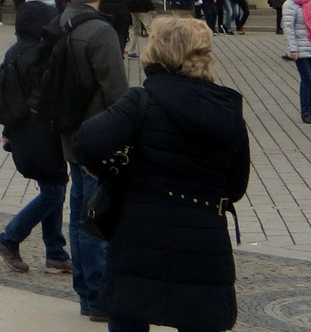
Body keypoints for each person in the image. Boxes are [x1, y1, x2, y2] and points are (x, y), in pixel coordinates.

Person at [73, 17, 249, 332]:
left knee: (129, 316)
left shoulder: (142, 100)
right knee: (200, 320)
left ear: (157, 52)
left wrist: (106, 170)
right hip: (204, 236)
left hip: (142, 229)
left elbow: (86, 141)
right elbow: (235, 186)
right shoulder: (227, 108)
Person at [46, 0, 127, 322]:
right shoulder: (99, 31)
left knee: (79, 217)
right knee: (96, 218)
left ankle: (85, 293)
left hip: (69, 133)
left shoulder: (59, 23)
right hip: (98, 136)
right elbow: (117, 91)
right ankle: (98, 296)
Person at [0, 0, 70, 275]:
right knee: (54, 191)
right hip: (42, 133)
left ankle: (56, 253)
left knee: (53, 188)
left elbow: (9, 96)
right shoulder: (42, 54)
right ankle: (9, 239)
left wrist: (7, 131)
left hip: (21, 132)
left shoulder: (14, 52)